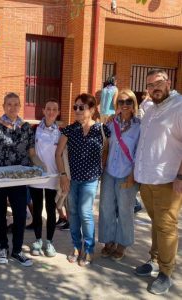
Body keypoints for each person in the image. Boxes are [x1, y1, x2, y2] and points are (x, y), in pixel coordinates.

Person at [0, 92, 45, 267]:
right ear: (3, 106)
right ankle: (3, 247)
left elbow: (32, 154)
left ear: (19, 106)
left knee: (19, 214)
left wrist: (41, 166)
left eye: (16, 104)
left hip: (19, 179)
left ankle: (17, 250)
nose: (12, 107)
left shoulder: (26, 128)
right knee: (0, 213)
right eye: (9, 104)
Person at [134, 69, 182, 295]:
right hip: (147, 178)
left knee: (166, 226)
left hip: (168, 180)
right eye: (150, 85)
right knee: (156, 223)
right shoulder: (151, 108)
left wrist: (181, 176)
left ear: (168, 83)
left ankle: (166, 272)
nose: (155, 88)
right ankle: (154, 260)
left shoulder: (179, 107)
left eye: (159, 83)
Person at [56, 93, 110, 266]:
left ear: (92, 109)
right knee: (73, 214)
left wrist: (99, 169)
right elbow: (58, 154)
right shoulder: (70, 129)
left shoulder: (101, 129)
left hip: (91, 180)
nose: (77, 110)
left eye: (81, 107)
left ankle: (88, 249)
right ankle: (76, 246)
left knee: (85, 213)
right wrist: (63, 175)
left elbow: (106, 151)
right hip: (72, 179)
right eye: (75, 107)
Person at [98, 89, 140, 261]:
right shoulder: (110, 123)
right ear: (117, 105)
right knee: (106, 207)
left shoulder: (140, 125)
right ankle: (108, 241)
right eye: (121, 102)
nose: (124, 105)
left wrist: (133, 174)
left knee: (125, 209)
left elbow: (140, 151)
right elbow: (104, 145)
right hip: (109, 171)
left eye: (128, 101)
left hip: (127, 173)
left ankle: (122, 244)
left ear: (133, 104)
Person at [29, 98, 61, 257]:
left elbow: (62, 155)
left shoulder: (61, 132)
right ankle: (37, 240)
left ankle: (49, 242)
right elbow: (31, 152)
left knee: (50, 208)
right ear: (43, 111)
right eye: (48, 109)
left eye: (54, 109)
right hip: (36, 176)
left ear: (58, 112)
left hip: (53, 176)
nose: (51, 112)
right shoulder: (34, 129)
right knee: (37, 209)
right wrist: (37, 165)